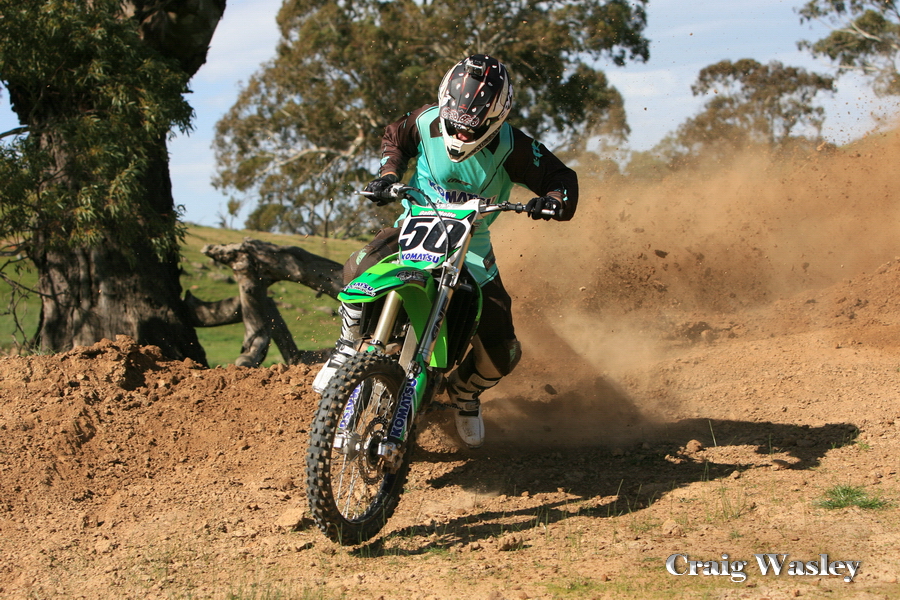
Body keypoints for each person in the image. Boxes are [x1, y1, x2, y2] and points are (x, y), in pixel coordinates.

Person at [312, 54, 579, 448]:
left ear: (496, 119)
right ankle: (347, 345)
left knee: (502, 350)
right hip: (414, 225)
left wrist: (554, 200)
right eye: (455, 125)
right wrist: (388, 175)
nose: (461, 135)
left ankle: (464, 391)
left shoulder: (513, 146)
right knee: (358, 267)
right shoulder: (425, 121)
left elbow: (562, 178)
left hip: (472, 247)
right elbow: (395, 137)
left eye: (472, 129)